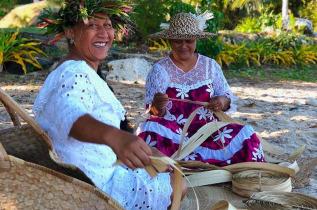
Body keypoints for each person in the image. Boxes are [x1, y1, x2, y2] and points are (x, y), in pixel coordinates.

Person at [33, 1, 186, 209]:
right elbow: (71, 115)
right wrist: (114, 137)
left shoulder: (77, 70)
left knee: (168, 172)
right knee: (178, 185)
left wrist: (147, 150)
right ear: (70, 32)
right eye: (92, 25)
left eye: (107, 25)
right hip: (92, 186)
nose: (103, 33)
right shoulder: (74, 73)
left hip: (94, 173)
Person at [136, 12, 265, 166]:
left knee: (246, 133)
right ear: (170, 41)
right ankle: (192, 163)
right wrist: (158, 106)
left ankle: (193, 163)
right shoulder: (159, 70)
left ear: (196, 40)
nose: (183, 46)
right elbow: (154, 115)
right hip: (174, 136)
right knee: (149, 129)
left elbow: (227, 97)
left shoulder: (210, 66)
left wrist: (221, 102)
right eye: (178, 41)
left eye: (189, 41)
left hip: (210, 134)